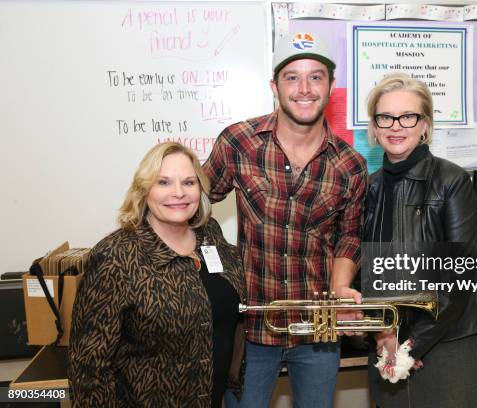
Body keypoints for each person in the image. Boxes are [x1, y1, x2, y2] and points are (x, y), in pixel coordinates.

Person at [202, 31, 368, 408]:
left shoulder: (351, 165)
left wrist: (341, 288)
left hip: (318, 330)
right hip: (253, 324)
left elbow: (349, 235)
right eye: (292, 77)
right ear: (275, 86)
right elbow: (194, 204)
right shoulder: (238, 142)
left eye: (316, 76)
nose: (304, 88)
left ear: (331, 85)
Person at [68, 142, 245, 407]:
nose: (178, 193)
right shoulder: (116, 256)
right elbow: (89, 365)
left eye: (188, 182)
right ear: (144, 190)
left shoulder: (211, 236)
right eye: (163, 183)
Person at [363, 73, 477, 408]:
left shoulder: (451, 181)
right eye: (386, 117)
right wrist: (382, 334)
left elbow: (459, 275)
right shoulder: (370, 186)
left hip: (449, 342)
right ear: (375, 126)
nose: (396, 126)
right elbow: (367, 270)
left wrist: (412, 344)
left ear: (424, 124)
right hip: (388, 343)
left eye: (407, 116)